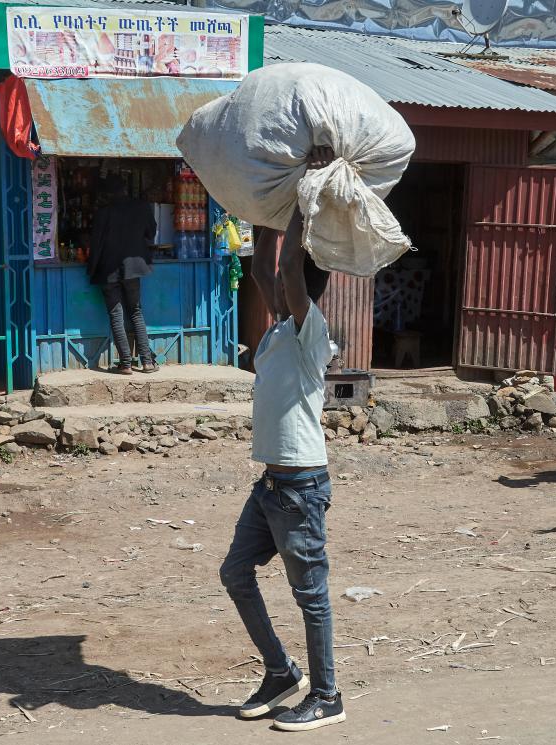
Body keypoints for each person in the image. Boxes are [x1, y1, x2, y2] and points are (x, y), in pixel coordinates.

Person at [219, 147, 345, 732]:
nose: (273, 290)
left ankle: (327, 695)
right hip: (271, 483)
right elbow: (261, 271)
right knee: (235, 573)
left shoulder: (309, 337)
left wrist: (301, 197)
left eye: (287, 288)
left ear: (306, 297)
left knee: (310, 596)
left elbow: (288, 271)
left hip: (300, 485)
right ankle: (279, 671)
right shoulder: (274, 338)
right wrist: (263, 209)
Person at [86, 175, 158, 375]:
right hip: (133, 268)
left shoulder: (104, 213)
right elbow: (151, 233)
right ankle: (147, 363)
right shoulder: (142, 207)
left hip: (108, 270)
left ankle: (125, 363)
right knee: (136, 311)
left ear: (108, 194)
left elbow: (96, 245)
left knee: (116, 315)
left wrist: (91, 269)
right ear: (125, 190)